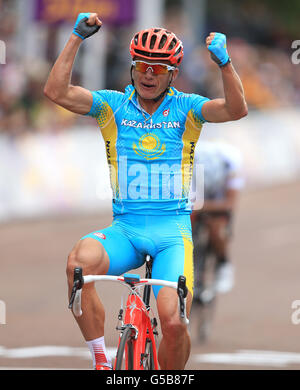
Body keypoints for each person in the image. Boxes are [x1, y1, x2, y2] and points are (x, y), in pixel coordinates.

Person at [44, 12, 247, 370]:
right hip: (125, 228)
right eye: (141, 66)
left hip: (173, 232)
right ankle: (102, 363)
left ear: (173, 74)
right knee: (78, 264)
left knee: (172, 320)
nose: (149, 74)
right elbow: (56, 92)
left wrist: (225, 64)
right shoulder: (112, 105)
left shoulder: (188, 109)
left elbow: (236, 109)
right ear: (132, 68)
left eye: (158, 68)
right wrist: (76, 37)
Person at [191, 140, 245, 296]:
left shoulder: (233, 163)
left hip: (219, 194)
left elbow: (229, 204)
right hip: (198, 188)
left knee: (218, 228)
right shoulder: (189, 166)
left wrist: (201, 207)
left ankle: (224, 264)